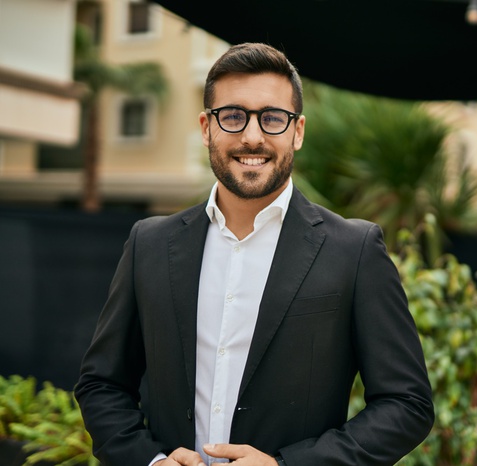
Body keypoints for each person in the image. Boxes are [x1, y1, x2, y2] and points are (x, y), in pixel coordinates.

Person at [75, 42, 434, 466]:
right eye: (233, 116)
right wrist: (150, 462)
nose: (252, 136)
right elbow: (102, 385)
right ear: (207, 127)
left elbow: (406, 404)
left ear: (297, 131)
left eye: (272, 118)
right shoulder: (148, 244)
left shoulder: (354, 251)